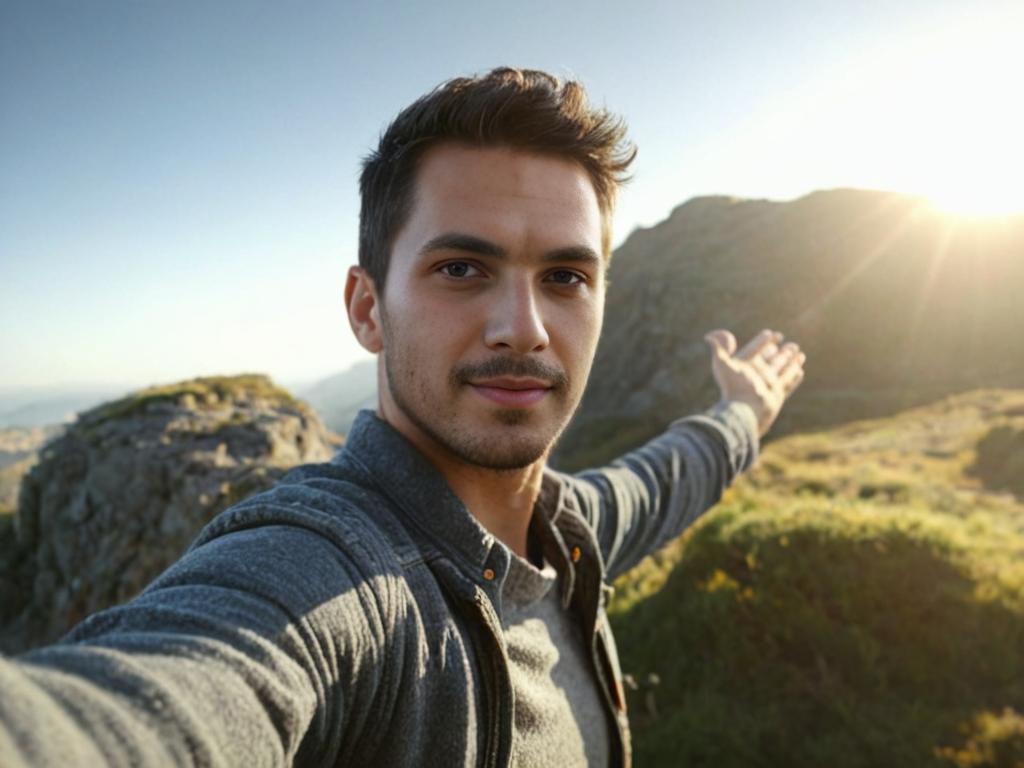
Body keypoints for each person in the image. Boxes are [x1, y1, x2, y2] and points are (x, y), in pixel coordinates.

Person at [0, 67, 805, 767]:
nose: (523, 326)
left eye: (565, 277)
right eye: (462, 267)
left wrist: (742, 411)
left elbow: (666, 478)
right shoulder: (326, 573)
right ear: (367, 309)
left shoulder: (572, 533)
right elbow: (154, 706)